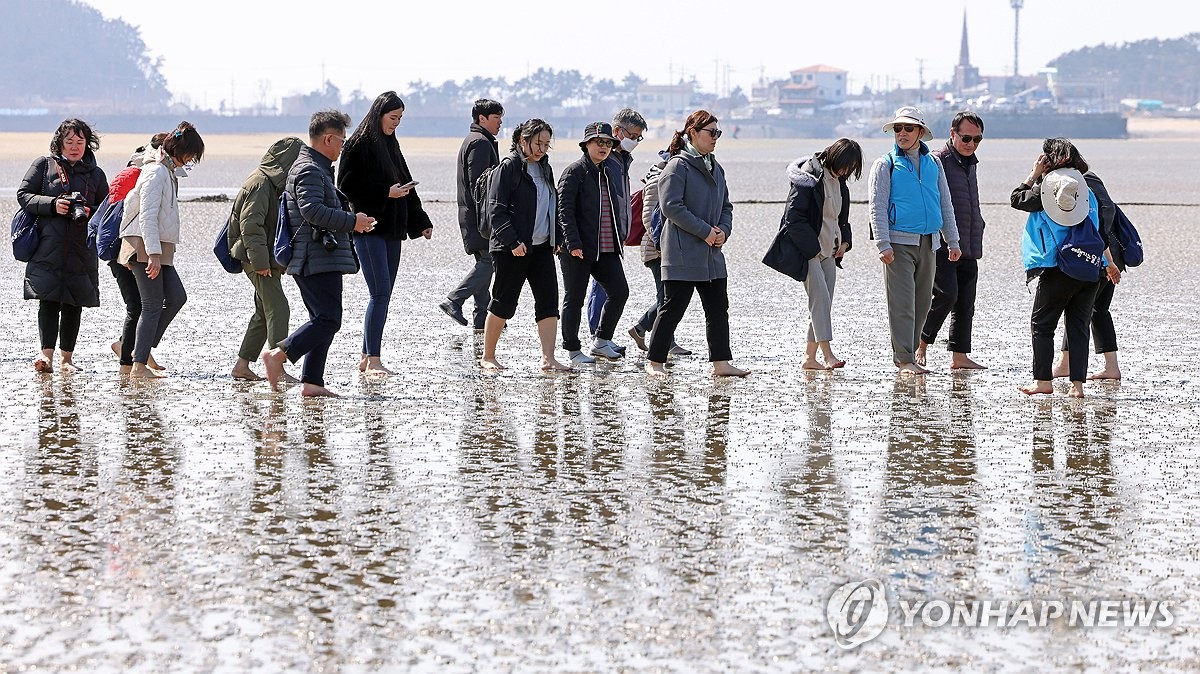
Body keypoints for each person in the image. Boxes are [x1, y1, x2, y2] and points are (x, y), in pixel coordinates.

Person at [262, 110, 377, 397]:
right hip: (314, 258)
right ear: (328, 138)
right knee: (328, 319)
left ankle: (312, 382)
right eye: (341, 140)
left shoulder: (316, 167)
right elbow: (311, 210)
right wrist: (353, 222)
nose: (342, 146)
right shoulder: (310, 169)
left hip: (317, 256)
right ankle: (279, 355)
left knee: (323, 319)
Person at [644, 110, 750, 378]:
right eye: (711, 132)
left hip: (712, 254)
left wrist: (723, 232)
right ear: (692, 133)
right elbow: (670, 207)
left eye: (718, 132)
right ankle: (654, 363)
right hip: (681, 253)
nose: (715, 137)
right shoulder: (677, 166)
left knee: (718, 309)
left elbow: (726, 206)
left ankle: (721, 363)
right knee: (672, 309)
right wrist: (705, 232)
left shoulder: (716, 167)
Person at [1011, 138, 1119, 398]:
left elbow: (1016, 199)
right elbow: (1100, 233)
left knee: (1042, 324)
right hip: (1090, 268)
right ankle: (1077, 386)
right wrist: (1109, 263)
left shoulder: (1047, 191)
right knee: (1078, 326)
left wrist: (1034, 173)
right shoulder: (1087, 192)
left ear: (1049, 159)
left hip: (1059, 268)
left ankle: (1043, 382)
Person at [337, 91, 433, 375]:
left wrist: (420, 221)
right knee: (379, 293)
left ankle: (367, 357)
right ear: (379, 114)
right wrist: (384, 193)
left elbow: (404, 184)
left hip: (393, 229)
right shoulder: (358, 144)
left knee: (384, 293)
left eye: (400, 118)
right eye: (393, 118)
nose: (396, 123)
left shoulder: (391, 143)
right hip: (369, 228)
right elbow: (346, 187)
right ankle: (374, 359)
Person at [867, 105, 961, 375]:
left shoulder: (934, 163)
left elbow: (945, 203)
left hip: (929, 242)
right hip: (897, 244)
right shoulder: (884, 164)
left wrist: (952, 241)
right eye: (898, 128)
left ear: (921, 131)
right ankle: (904, 359)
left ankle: (909, 353)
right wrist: (882, 244)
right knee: (902, 303)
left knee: (923, 303)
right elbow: (877, 206)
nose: (902, 133)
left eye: (909, 128)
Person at [17, 118, 109, 373]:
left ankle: (67, 360)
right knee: (48, 300)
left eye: (80, 142)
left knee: (73, 303)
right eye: (69, 141)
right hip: (48, 246)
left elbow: (107, 209)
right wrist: (52, 204)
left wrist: (90, 212)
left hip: (81, 248)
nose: (74, 147)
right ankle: (45, 356)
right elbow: (23, 195)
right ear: (59, 142)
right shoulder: (43, 165)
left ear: (88, 145)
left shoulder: (96, 175)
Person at [479, 119, 570, 372]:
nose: (542, 149)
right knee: (504, 302)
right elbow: (495, 210)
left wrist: (557, 237)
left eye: (546, 144)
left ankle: (548, 358)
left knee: (549, 301)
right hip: (512, 249)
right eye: (538, 143)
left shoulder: (545, 169)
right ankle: (488, 356)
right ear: (522, 140)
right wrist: (513, 241)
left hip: (542, 248)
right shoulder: (508, 168)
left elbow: (552, 205)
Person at [117, 120, 204, 379]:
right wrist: (153, 254)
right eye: (190, 156)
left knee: (177, 297)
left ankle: (132, 347)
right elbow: (147, 215)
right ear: (178, 150)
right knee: (152, 305)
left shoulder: (168, 171)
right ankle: (138, 365)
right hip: (145, 245)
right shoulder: (155, 172)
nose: (190, 162)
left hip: (159, 247)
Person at [771, 138, 863, 370]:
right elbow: (793, 219)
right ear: (834, 156)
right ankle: (827, 354)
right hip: (809, 252)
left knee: (822, 303)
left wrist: (845, 242)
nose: (846, 171)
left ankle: (809, 358)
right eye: (845, 165)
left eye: (850, 169)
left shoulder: (840, 182)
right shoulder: (808, 178)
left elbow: (841, 218)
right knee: (820, 299)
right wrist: (811, 251)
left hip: (830, 252)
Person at [227, 136, 305, 381]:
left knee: (263, 311)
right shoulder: (260, 183)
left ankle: (242, 366)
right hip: (254, 258)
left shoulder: (273, 184)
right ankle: (277, 368)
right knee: (278, 307)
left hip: (263, 257)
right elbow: (251, 226)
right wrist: (260, 263)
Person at [917, 111, 987, 370]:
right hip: (943, 242)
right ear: (952, 133)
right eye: (966, 138)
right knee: (946, 295)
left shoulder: (971, 162)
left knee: (966, 302)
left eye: (977, 139)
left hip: (970, 240)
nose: (971, 144)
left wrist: (979, 225)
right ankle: (921, 344)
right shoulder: (936, 160)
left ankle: (959, 357)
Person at [556, 121, 630, 363]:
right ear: (586, 144)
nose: (604, 147)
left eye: (608, 143)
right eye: (599, 142)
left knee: (620, 292)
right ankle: (573, 350)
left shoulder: (608, 171)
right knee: (574, 298)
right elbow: (563, 210)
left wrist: (620, 238)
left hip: (606, 248)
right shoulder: (574, 172)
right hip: (577, 249)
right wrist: (573, 243)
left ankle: (601, 341)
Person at [583, 108, 647, 350]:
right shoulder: (604, 159)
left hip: (616, 232)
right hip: (601, 233)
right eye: (633, 136)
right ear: (618, 131)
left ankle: (601, 336)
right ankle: (598, 336)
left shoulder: (622, 159)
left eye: (639, 138)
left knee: (606, 287)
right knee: (603, 287)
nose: (635, 142)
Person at [1052, 168, 1124, 380]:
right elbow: (1107, 215)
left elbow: (1094, 224)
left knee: (1078, 310)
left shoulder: (1077, 183)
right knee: (1098, 310)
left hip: (1098, 257)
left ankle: (1067, 363)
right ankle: (1111, 366)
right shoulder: (1093, 178)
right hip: (1111, 256)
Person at [107, 133, 168, 374]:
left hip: (124, 247)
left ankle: (137, 351)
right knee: (138, 306)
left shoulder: (133, 171)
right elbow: (133, 216)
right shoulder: (140, 174)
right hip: (124, 248)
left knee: (141, 305)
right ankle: (128, 358)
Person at [442, 98, 504, 331]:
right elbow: (479, 184)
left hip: (475, 215)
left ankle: (482, 319)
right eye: (496, 117)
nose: (500, 122)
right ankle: (454, 300)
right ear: (482, 119)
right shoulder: (479, 143)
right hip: (479, 217)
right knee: (489, 261)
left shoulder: (479, 140)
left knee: (485, 262)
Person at [626, 147, 693, 358]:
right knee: (667, 297)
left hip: (665, 248)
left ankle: (641, 329)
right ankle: (662, 340)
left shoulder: (673, 177)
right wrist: (662, 245)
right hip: (657, 250)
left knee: (667, 296)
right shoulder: (658, 179)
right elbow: (649, 217)